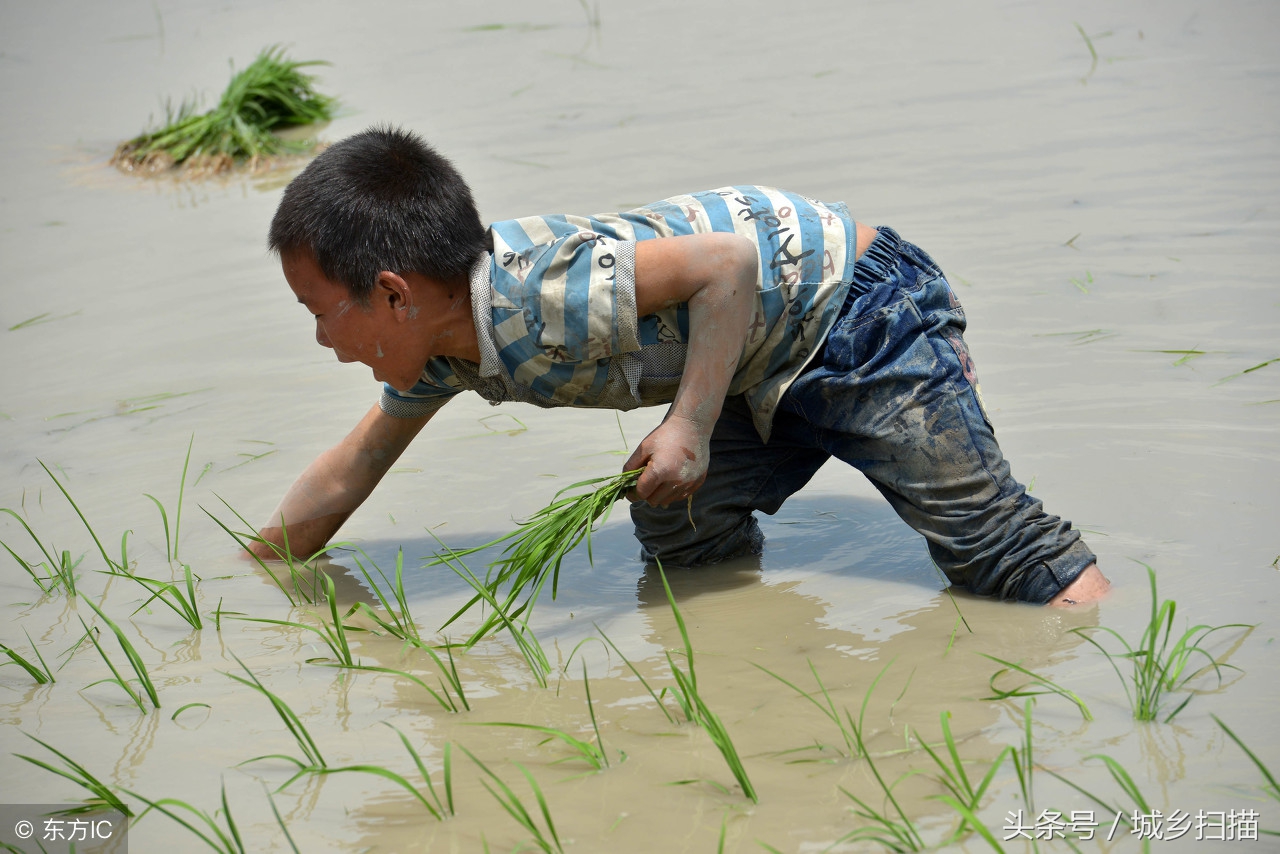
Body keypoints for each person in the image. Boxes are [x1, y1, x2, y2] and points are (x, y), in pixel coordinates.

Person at [253, 125, 1109, 606]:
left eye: (319, 313)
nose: (324, 341)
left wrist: (689, 426)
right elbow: (357, 462)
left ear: (396, 296)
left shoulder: (535, 292)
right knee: (677, 526)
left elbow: (727, 266)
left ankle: (1106, 656)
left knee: (1001, 556)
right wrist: (254, 569)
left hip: (856, 317)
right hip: (753, 351)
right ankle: (755, 651)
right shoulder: (441, 350)